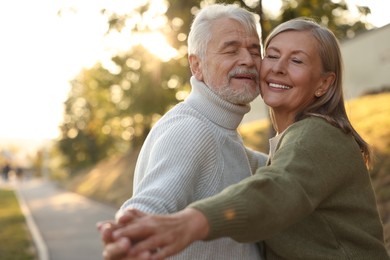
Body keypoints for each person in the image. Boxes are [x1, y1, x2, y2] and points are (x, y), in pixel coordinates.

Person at [101, 18, 390, 260]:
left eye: (297, 60)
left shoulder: (316, 135)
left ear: (324, 83)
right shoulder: (197, 128)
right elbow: (256, 169)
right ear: (196, 65)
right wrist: (133, 226)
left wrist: (191, 222)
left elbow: (274, 191)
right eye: (273, 54)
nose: (277, 67)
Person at [98, 3, 268, 260]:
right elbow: (153, 201)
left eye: (255, 50)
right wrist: (129, 235)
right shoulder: (191, 130)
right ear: (196, 65)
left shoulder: (220, 131)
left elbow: (273, 172)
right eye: (231, 50)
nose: (248, 60)